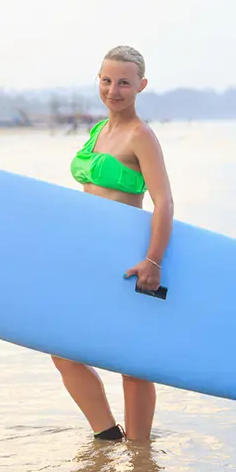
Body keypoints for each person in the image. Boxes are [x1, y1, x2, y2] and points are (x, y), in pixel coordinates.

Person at [59, 45, 174, 442]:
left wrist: (153, 261)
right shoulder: (97, 131)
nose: (113, 90)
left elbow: (164, 201)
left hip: (126, 258)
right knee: (62, 349)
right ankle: (107, 436)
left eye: (124, 82)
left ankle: (141, 455)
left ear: (141, 85)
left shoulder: (141, 135)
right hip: (87, 257)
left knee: (132, 361)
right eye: (106, 80)